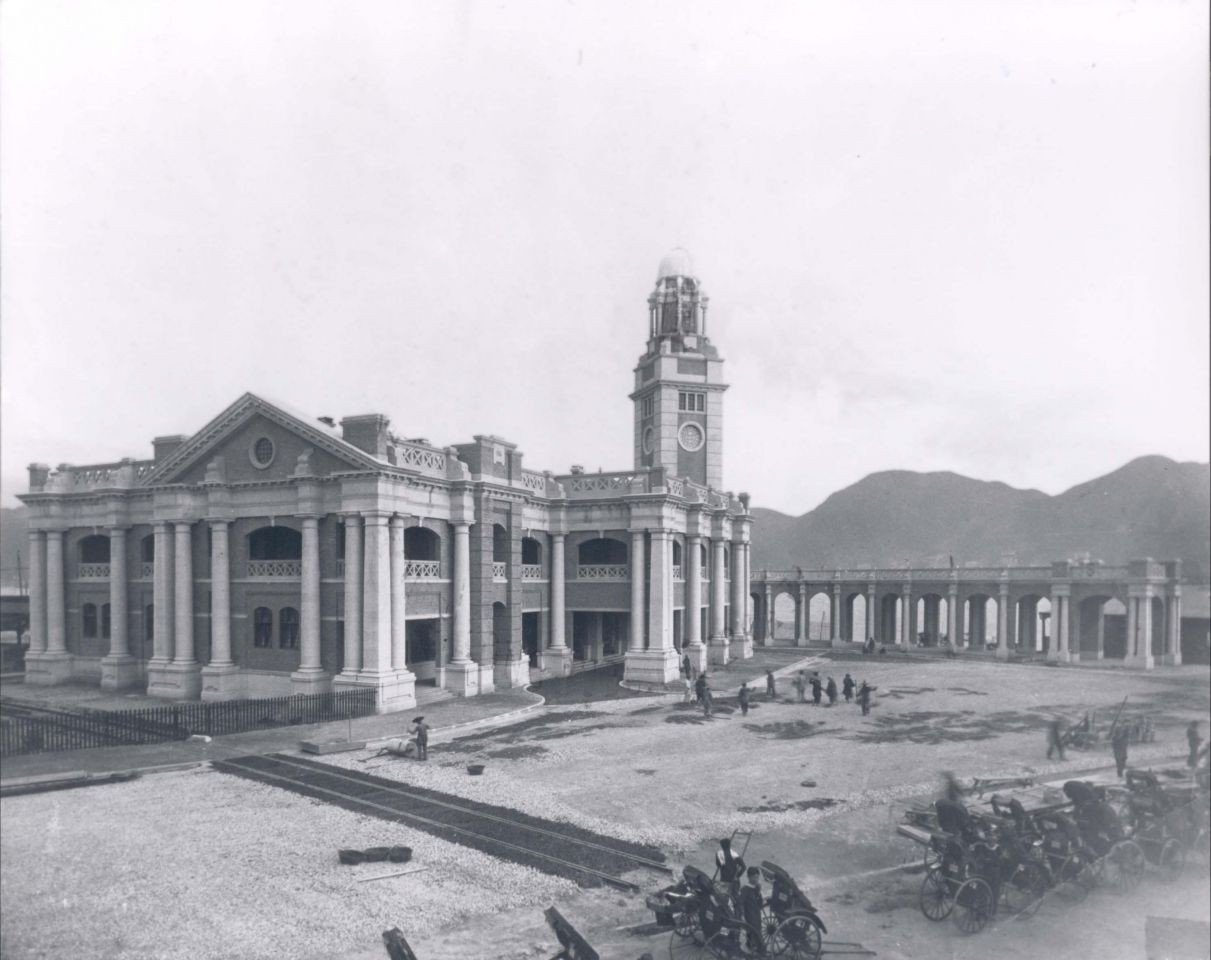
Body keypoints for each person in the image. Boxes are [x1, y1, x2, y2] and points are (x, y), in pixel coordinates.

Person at [737, 866, 765, 953]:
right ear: (749, 877)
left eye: (757, 877)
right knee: (754, 933)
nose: (756, 879)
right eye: (754, 877)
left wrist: (759, 891)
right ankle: (758, 949)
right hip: (749, 915)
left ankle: (753, 947)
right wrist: (742, 915)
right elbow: (740, 903)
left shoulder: (756, 888)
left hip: (756, 915)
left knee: (757, 931)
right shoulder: (745, 889)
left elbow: (760, 903)